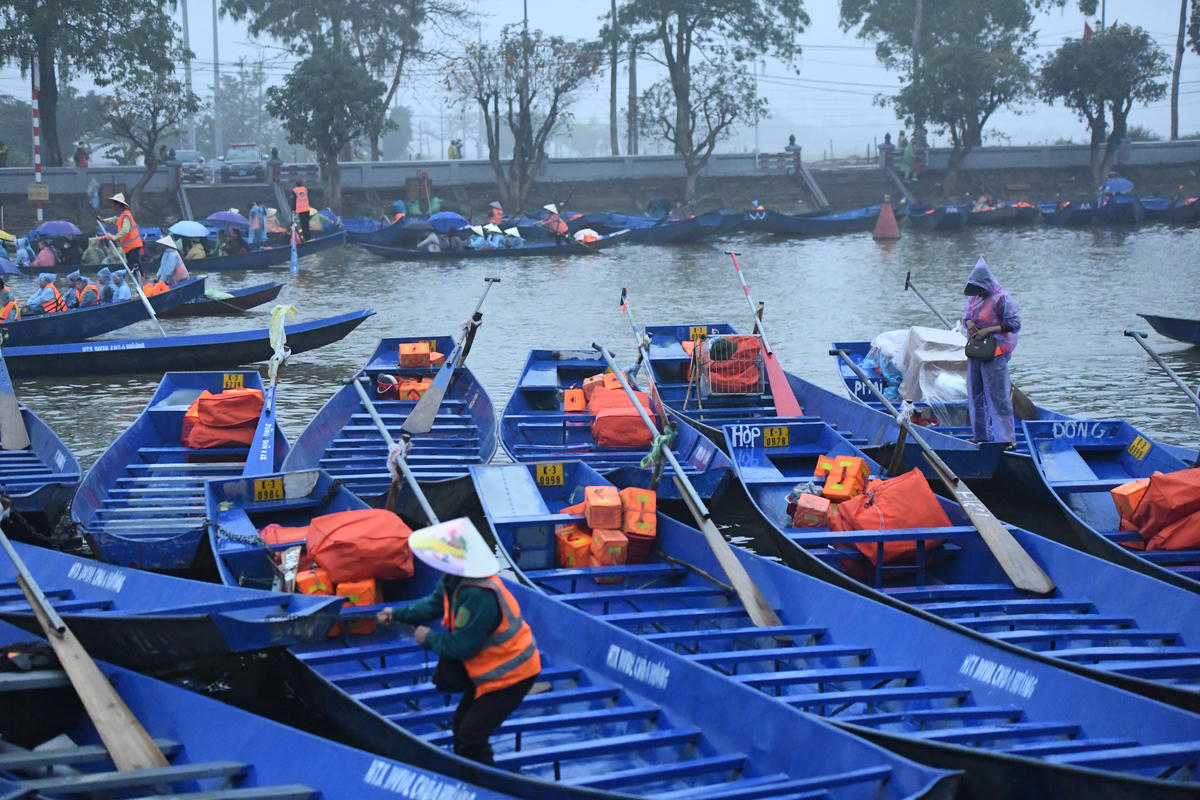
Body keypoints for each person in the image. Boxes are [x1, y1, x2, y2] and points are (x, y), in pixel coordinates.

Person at [375, 518, 540, 766]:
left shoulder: (478, 595)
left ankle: (487, 784)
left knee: (471, 735)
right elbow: (432, 604)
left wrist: (427, 637)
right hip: (487, 670)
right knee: (459, 723)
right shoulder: (454, 580)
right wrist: (397, 614)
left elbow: (463, 647)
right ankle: (467, 770)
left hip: (512, 675)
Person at [961, 257, 1021, 447]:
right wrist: (970, 324)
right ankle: (980, 435)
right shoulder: (974, 298)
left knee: (998, 396)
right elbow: (966, 317)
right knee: (975, 393)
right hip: (976, 351)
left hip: (995, 353)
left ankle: (1006, 440)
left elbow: (1014, 323)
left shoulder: (1001, 298)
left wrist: (989, 330)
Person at [100, 192, 144, 271]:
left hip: (133, 246)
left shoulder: (126, 215)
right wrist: (103, 220)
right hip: (128, 247)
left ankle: (141, 281)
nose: (112, 206)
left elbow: (125, 230)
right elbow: (114, 219)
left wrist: (114, 238)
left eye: (114, 204)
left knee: (136, 267)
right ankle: (138, 280)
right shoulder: (122, 215)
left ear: (118, 205)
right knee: (132, 266)